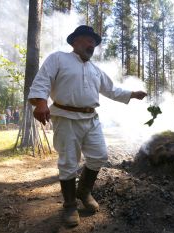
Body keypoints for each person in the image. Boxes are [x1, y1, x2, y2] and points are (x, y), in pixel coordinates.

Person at [28, 25, 147, 227]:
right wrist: (40, 102)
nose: (92, 44)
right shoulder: (58, 58)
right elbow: (43, 80)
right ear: (75, 41)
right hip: (65, 118)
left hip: (91, 119)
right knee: (68, 163)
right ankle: (69, 205)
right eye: (87, 39)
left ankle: (83, 191)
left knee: (100, 155)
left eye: (94, 42)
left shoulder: (95, 70)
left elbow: (111, 90)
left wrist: (132, 94)